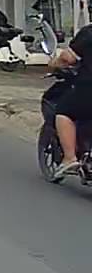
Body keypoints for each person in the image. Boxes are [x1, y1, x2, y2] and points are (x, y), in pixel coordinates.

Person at [47, 23, 92, 178]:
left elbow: (67, 58)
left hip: (88, 87)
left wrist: (54, 63)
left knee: (64, 112)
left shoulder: (88, 33)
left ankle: (69, 158)